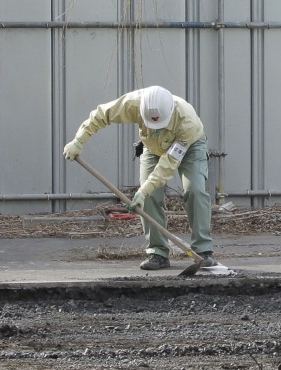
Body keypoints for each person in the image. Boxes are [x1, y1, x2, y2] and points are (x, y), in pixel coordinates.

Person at [63, 86, 217, 271]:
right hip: (152, 148)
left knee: (195, 190)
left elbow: (168, 165)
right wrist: (79, 141)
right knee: (149, 197)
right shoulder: (133, 104)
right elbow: (101, 115)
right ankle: (158, 252)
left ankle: (203, 251)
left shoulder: (187, 122)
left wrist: (142, 191)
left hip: (190, 147)